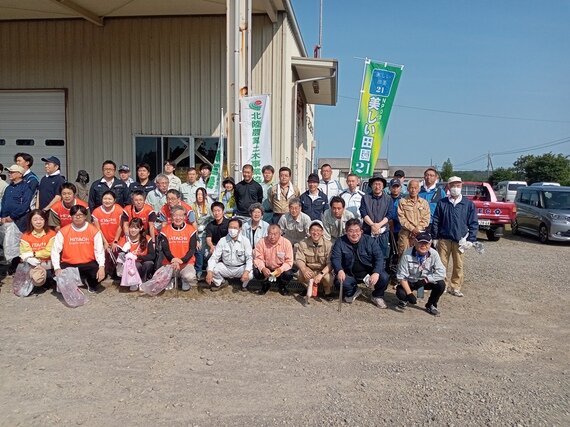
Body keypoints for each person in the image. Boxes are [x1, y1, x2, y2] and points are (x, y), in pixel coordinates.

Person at [432, 176, 479, 298]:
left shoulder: (468, 204)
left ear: (461, 186)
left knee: (458, 265)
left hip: (460, 240)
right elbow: (436, 220)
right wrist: (435, 237)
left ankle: (455, 287)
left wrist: (471, 239)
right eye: (453, 185)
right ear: (448, 187)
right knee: (442, 264)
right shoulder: (442, 202)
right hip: (444, 239)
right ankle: (442, 285)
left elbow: (473, 222)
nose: (455, 188)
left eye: (458, 185)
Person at [331, 218, 390, 308]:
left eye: (357, 230)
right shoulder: (340, 242)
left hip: (368, 272)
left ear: (361, 231)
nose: (354, 234)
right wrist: (339, 270)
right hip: (350, 274)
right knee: (340, 281)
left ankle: (377, 296)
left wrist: (376, 272)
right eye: (351, 231)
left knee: (384, 277)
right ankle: (353, 291)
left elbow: (379, 257)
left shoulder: (370, 240)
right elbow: (335, 258)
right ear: (346, 232)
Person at [51, 205, 106, 293]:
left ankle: (87, 281)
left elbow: (99, 251)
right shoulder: (63, 231)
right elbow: (55, 251)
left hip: (88, 263)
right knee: (58, 283)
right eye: (75, 215)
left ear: (85, 216)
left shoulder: (94, 231)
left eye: (80, 215)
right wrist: (57, 268)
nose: (78, 217)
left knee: (100, 274)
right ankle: (77, 280)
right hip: (68, 264)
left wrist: (102, 267)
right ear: (71, 216)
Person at [396, 231, 446, 315]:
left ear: (430, 244)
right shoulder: (407, 254)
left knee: (441, 284)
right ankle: (405, 300)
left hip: (424, 281)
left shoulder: (434, 254)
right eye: (420, 243)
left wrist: (426, 280)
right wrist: (409, 294)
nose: (423, 246)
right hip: (410, 281)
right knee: (401, 293)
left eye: (426, 243)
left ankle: (431, 305)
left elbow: (442, 272)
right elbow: (401, 276)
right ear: (415, 242)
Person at [206, 217, 253, 291]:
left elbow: (249, 259)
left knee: (250, 273)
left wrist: (246, 272)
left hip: (240, 268)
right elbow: (214, 257)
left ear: (240, 229)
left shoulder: (245, 241)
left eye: (235, 228)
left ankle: (244, 285)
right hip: (226, 267)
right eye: (230, 227)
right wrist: (209, 272)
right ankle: (221, 282)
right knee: (210, 268)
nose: (232, 230)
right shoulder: (222, 240)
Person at [159, 205, 197, 291]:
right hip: (170, 263)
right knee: (159, 277)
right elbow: (165, 250)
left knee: (190, 276)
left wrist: (182, 260)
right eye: (175, 215)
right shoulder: (165, 230)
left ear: (184, 217)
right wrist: (173, 259)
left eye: (180, 215)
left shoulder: (191, 230)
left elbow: (192, 250)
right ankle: (171, 278)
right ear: (171, 217)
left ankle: (184, 280)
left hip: (186, 263)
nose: (178, 218)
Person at [295, 220, 334, 301]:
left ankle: (327, 291)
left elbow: (330, 264)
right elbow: (299, 259)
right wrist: (304, 270)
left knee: (328, 278)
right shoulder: (303, 243)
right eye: (313, 230)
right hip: (310, 269)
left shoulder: (328, 245)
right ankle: (308, 287)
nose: (315, 233)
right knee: (300, 274)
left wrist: (321, 274)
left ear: (322, 232)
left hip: (322, 271)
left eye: (318, 230)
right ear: (309, 232)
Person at [19, 209, 56, 291]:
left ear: (45, 220)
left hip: (50, 263)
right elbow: (24, 253)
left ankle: (49, 278)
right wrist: (29, 259)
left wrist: (33, 254)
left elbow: (49, 252)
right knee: (38, 280)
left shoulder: (52, 234)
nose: (38, 222)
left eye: (41, 219)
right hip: (34, 264)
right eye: (35, 220)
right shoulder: (25, 236)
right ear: (30, 221)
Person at [253, 224, 294, 295]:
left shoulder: (286, 243)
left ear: (280, 233)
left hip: (280, 269)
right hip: (267, 268)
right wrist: (263, 268)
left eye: (275, 234)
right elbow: (258, 258)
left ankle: (282, 285)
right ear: (267, 233)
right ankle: (265, 284)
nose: (272, 236)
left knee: (288, 274)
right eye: (270, 234)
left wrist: (280, 269)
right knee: (256, 271)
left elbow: (289, 261)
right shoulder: (261, 242)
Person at [359, 174, 393, 259]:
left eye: (379, 184)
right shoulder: (365, 198)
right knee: (367, 255)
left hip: (383, 232)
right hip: (368, 231)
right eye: (375, 184)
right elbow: (363, 212)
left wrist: (378, 225)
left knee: (382, 256)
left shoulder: (388, 199)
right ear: (371, 185)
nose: (377, 187)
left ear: (383, 186)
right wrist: (372, 225)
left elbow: (390, 214)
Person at [92, 191, 125, 277]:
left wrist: (115, 240)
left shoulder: (119, 209)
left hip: (117, 239)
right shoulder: (96, 211)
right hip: (103, 239)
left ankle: (117, 274)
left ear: (114, 200)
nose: (107, 201)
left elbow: (120, 226)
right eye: (105, 199)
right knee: (104, 255)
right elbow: (98, 229)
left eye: (110, 199)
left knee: (116, 253)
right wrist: (105, 242)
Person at [116, 217, 155, 287]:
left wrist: (139, 257)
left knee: (149, 264)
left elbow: (152, 255)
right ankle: (133, 282)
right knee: (136, 265)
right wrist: (124, 254)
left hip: (143, 261)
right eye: (131, 227)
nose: (133, 230)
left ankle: (143, 281)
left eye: (136, 228)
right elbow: (120, 255)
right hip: (131, 265)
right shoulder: (125, 239)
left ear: (141, 228)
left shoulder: (147, 238)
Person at [397, 179, 430, 255]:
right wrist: (412, 229)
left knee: (419, 255)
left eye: (415, 188)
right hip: (405, 234)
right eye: (411, 187)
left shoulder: (424, 203)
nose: (413, 190)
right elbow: (402, 219)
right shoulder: (402, 202)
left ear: (419, 189)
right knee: (404, 255)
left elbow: (426, 219)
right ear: (408, 189)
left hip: (420, 234)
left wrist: (417, 229)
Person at [0, 165, 34, 233]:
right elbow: (4, 202)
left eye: (12, 172)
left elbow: (25, 205)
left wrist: (12, 217)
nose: (9, 174)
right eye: (9, 172)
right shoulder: (8, 188)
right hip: (6, 220)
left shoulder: (26, 188)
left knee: (18, 238)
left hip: (20, 221)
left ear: (20, 174)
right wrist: (2, 216)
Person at [192, 187, 213, 278]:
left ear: (205, 195)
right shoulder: (193, 206)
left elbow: (212, 219)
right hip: (197, 232)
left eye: (201, 194)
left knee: (207, 252)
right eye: (198, 194)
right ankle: (198, 270)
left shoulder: (209, 206)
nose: (199, 196)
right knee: (199, 250)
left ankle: (208, 268)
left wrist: (206, 226)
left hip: (207, 232)